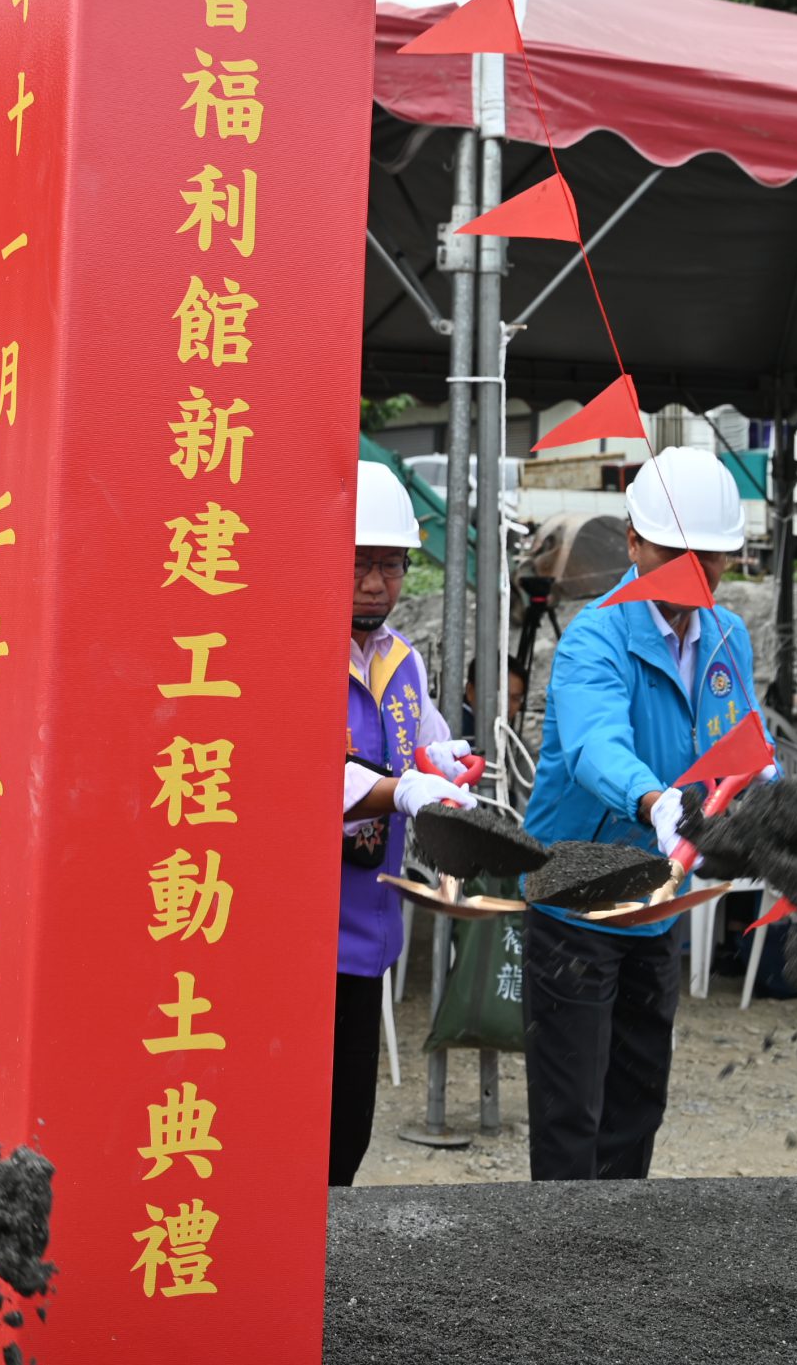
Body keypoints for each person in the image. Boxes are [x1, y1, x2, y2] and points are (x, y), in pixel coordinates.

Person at [522, 446, 764, 1182]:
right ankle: (560, 1272)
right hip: (577, 900)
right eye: (674, 551)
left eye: (713, 557)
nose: (696, 572)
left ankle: (620, 1271)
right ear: (633, 542)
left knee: (636, 1105)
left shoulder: (727, 637)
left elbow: (744, 740)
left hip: (657, 900)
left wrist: (763, 796)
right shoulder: (595, 637)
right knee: (572, 1117)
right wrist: (656, 801)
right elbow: (598, 746)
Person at [333, 461, 471, 1186]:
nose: (375, 581)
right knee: (299, 1127)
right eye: (359, 562)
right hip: (302, 935)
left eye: (390, 563)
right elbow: (303, 775)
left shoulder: (400, 659)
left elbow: (422, 735)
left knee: (348, 1129)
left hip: (370, 923)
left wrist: (445, 761)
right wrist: (403, 788)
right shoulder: (292, 648)